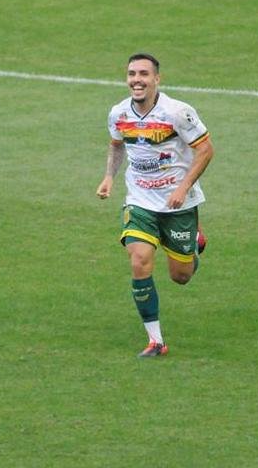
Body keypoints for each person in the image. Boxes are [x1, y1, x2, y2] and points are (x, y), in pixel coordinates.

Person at [96, 53, 213, 358]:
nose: (137, 79)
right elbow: (116, 145)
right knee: (139, 260)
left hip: (178, 203)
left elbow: (205, 150)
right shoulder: (118, 113)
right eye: (132, 74)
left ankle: (193, 243)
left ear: (156, 79)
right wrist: (108, 177)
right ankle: (155, 341)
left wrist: (183, 188)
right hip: (140, 201)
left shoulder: (178, 113)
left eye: (144, 74)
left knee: (181, 276)